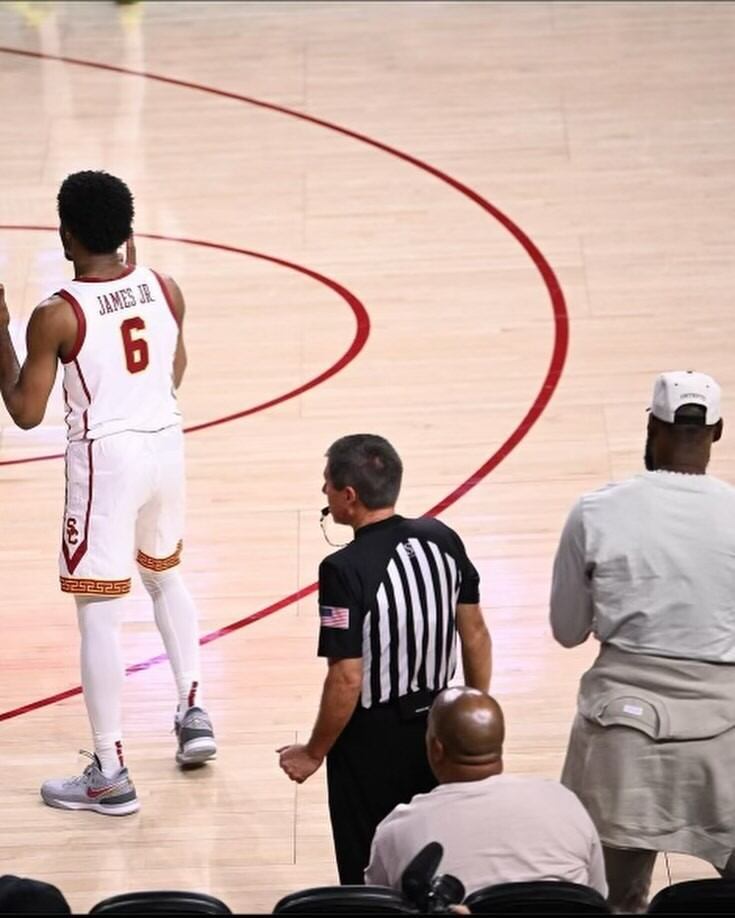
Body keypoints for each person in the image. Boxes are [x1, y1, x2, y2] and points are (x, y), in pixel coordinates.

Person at [0, 170, 215, 815]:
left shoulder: (56, 314)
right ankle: (193, 708)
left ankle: (110, 770)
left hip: (106, 461)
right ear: (126, 230)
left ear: (65, 234)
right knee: (165, 577)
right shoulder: (165, 286)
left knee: (98, 610)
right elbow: (174, 369)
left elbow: (26, 411)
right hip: (166, 446)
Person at [550, 370, 735, 912]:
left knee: (614, 901)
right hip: (726, 732)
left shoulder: (595, 510)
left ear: (652, 425)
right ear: (718, 432)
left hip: (621, 735)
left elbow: (566, 631)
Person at [277, 434, 492, 884]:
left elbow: (347, 678)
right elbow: (474, 634)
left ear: (349, 497)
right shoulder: (443, 538)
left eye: (327, 485)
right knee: (438, 855)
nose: (324, 493)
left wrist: (314, 752)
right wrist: (471, 710)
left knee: (368, 863)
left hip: (372, 742)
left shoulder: (343, 569)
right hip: (440, 723)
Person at [365, 687, 607, 897]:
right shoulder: (563, 802)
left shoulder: (398, 829)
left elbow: (386, 906)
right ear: (499, 742)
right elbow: (596, 895)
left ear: (436, 748)